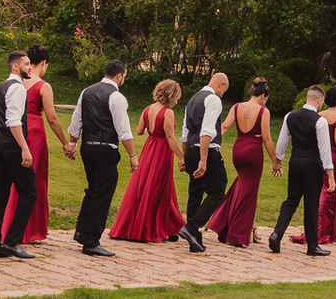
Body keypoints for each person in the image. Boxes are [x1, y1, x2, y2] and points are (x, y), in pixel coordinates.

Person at [0, 44, 70, 245]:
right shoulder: (38, 86)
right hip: (29, 133)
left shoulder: (4, 86)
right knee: (30, 187)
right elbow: (52, 119)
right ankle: (19, 236)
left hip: (4, 137)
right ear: (43, 63)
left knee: (1, 189)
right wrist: (65, 142)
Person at [68, 59, 137, 257]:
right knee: (103, 193)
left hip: (87, 147)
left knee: (92, 190)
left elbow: (76, 121)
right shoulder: (116, 97)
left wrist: (73, 144)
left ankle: (82, 231)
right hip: (105, 148)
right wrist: (132, 155)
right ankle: (91, 241)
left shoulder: (86, 91)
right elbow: (124, 131)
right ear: (119, 76)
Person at [109, 79, 187, 242]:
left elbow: (138, 131)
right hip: (161, 151)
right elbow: (170, 138)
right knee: (158, 187)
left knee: (144, 185)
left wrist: (151, 127)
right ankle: (151, 228)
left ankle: (169, 227)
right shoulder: (167, 112)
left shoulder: (148, 109)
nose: (177, 101)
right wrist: (181, 156)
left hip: (149, 148)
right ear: (172, 95)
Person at [206, 77, 281, 247]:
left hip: (238, 150)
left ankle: (250, 228)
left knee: (242, 187)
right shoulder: (263, 111)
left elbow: (224, 127)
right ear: (263, 95)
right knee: (249, 193)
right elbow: (267, 139)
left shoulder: (237, 106)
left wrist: (212, 146)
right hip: (253, 151)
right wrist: (275, 161)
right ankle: (236, 234)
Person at [268, 86, 336, 257]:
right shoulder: (319, 121)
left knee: (291, 200)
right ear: (320, 101)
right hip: (312, 164)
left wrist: (279, 160)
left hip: (295, 162)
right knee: (311, 204)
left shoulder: (290, 116)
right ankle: (312, 246)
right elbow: (325, 150)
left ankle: (277, 233)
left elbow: (282, 141)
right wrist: (330, 176)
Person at [0, 52, 37, 260]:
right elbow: (14, 121)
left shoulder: (0, 88)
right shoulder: (17, 88)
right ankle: (12, 242)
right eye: (27, 64)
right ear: (15, 67)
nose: (30, 67)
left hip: (1, 145)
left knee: (0, 196)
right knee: (29, 193)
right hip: (14, 145)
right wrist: (24, 148)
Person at [291, 86, 336, 246]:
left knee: (326, 192)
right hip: (334, 158)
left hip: (318, 156)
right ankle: (318, 230)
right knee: (330, 193)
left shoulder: (319, 116)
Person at [176, 73, 230, 253]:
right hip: (206, 150)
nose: (223, 94)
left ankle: (194, 239)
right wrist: (204, 159)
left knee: (196, 190)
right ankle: (192, 227)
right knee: (218, 191)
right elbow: (207, 131)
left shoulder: (192, 99)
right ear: (221, 84)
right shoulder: (213, 100)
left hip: (190, 148)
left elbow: (185, 131)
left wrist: (185, 156)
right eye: (224, 90)